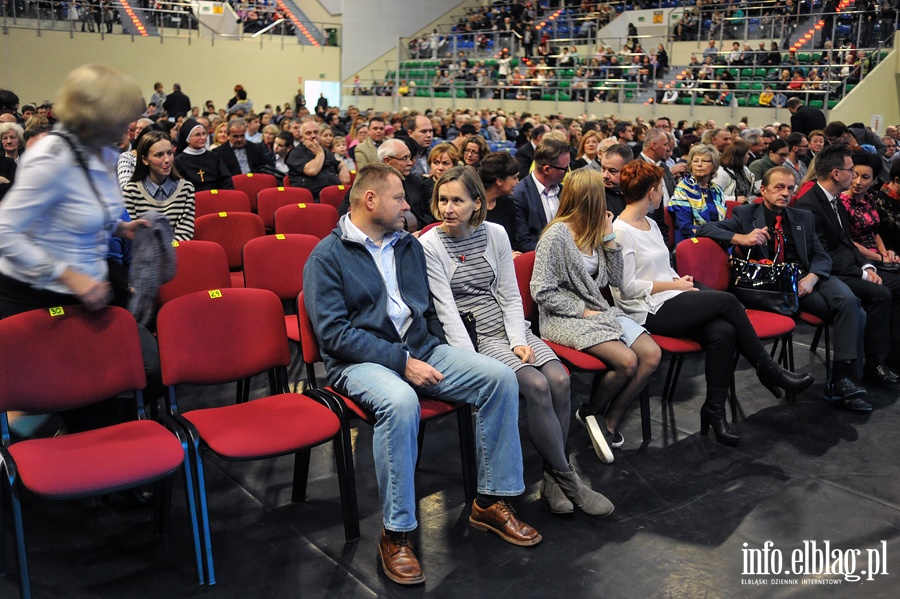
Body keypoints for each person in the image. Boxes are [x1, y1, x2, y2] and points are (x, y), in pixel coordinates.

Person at [303, 163, 541, 587]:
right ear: (370, 200)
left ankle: (490, 500)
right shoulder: (327, 256)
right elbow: (335, 334)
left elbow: (426, 310)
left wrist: (428, 348)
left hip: (421, 349)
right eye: (399, 198)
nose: (408, 204)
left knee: (500, 378)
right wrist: (401, 362)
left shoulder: (406, 246)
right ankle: (397, 533)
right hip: (360, 364)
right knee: (400, 401)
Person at [421, 166, 612, 517]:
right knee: (537, 386)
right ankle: (569, 479)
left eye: (457, 201)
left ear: (477, 203)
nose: (448, 208)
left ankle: (553, 476)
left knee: (559, 379)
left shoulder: (495, 233)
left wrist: (517, 339)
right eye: (443, 200)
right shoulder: (430, 244)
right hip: (475, 337)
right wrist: (471, 361)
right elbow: (446, 310)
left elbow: (510, 295)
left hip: (511, 327)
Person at [613, 161, 813, 446]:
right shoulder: (620, 230)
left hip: (670, 296)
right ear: (653, 192)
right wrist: (675, 284)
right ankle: (769, 370)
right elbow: (626, 287)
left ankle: (714, 410)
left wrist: (678, 280)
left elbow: (662, 269)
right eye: (660, 189)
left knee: (724, 332)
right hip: (643, 310)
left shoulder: (650, 224)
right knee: (727, 301)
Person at [698, 166, 869, 410]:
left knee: (851, 303)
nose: (785, 193)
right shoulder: (747, 214)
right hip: (774, 286)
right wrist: (741, 238)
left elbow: (822, 255)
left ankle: (842, 380)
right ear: (763, 190)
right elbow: (704, 229)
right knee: (854, 309)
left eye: (790, 188)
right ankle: (843, 380)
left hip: (809, 276)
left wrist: (812, 277)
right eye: (779, 187)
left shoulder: (802, 217)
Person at [531, 169, 661, 462]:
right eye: (599, 194)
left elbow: (613, 280)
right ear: (585, 198)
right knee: (627, 362)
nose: (606, 200)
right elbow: (542, 291)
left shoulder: (596, 229)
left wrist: (610, 238)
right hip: (563, 316)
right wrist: (581, 310)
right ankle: (591, 412)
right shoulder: (557, 235)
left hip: (598, 311)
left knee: (651, 355)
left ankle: (609, 420)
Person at [795, 143, 900, 384]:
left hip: (844, 267)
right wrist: (862, 273)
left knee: (894, 285)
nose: (854, 177)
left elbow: (847, 244)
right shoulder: (810, 205)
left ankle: (886, 355)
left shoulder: (833, 201)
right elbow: (822, 254)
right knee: (881, 293)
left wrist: (867, 267)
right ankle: (873, 362)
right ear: (836, 173)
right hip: (825, 273)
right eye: (851, 170)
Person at [122, 130, 195, 241]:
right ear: (145, 160)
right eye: (159, 155)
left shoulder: (186, 188)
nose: (167, 160)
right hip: (144, 255)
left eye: (169, 153)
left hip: (177, 254)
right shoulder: (131, 191)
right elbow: (133, 235)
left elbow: (185, 234)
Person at [512, 137, 570, 252]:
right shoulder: (519, 195)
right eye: (565, 168)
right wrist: (559, 253)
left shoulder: (565, 191)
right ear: (547, 169)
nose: (568, 171)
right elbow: (523, 243)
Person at [668, 144, 725, 243]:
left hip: (717, 239)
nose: (699, 164)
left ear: (713, 165)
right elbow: (685, 227)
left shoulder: (716, 190)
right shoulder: (683, 189)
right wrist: (716, 235)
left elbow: (723, 223)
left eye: (704, 161)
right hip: (692, 241)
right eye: (695, 161)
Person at [173, 118, 233, 192]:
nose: (202, 138)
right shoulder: (179, 161)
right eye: (198, 135)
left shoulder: (214, 157)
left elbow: (226, 181)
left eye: (204, 134)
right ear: (188, 139)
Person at [478, 152, 520, 251]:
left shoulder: (508, 204)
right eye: (514, 177)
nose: (518, 182)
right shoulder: (472, 207)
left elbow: (512, 242)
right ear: (499, 181)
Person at [713, 139, 756, 203]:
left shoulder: (744, 169)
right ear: (740, 156)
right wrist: (734, 199)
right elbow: (713, 194)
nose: (749, 156)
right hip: (730, 207)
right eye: (747, 154)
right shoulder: (721, 173)